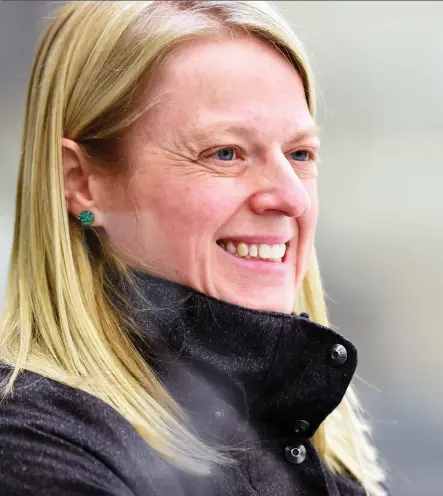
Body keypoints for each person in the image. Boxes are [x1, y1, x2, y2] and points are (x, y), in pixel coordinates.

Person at [0, 1, 388, 495]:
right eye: (225, 153)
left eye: (300, 154)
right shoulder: (35, 443)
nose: (291, 197)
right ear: (82, 182)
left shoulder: (307, 445)